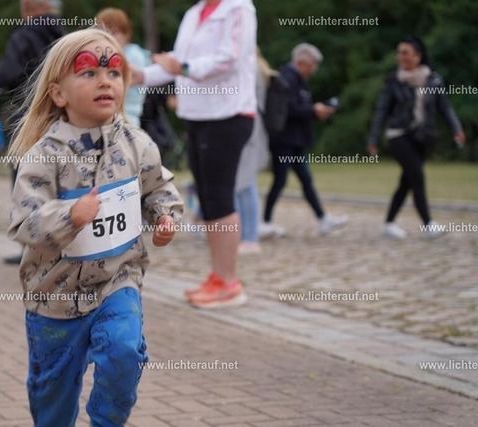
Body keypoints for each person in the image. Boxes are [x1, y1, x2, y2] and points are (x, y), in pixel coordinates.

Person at [6, 28, 183, 426]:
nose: (105, 81)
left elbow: (159, 188)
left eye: (114, 72)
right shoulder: (43, 155)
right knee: (52, 396)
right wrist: (70, 215)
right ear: (58, 94)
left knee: (124, 352)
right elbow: (24, 222)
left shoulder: (138, 144)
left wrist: (165, 216)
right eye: (88, 72)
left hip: (117, 280)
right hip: (54, 297)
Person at [133, 0, 257, 308]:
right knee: (208, 199)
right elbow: (175, 61)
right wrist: (140, 75)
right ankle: (218, 276)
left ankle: (228, 283)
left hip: (227, 114)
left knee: (220, 198)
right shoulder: (194, 13)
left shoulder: (239, 8)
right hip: (197, 115)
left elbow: (228, 59)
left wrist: (184, 68)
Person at [0, 0, 66, 265]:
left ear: (27, 8)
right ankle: (64, 243)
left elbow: (12, 68)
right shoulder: (65, 36)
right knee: (60, 175)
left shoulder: (24, 34)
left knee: (26, 177)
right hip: (61, 114)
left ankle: (31, 248)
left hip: (28, 116)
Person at [367, 35, 465, 240]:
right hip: (398, 135)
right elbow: (382, 111)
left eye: (405, 52)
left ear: (418, 56)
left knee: (407, 181)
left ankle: (388, 223)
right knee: (417, 177)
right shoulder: (393, 82)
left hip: (422, 137)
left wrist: (456, 128)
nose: (400, 56)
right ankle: (428, 224)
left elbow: (445, 108)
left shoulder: (433, 80)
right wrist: (373, 138)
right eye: (399, 52)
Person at [261, 43, 348, 237]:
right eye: (312, 65)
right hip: (284, 141)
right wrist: (313, 110)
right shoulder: (286, 79)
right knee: (280, 181)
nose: (314, 70)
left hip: (296, 141)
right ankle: (265, 221)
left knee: (305, 180)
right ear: (301, 62)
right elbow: (288, 109)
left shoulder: (299, 80)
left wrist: (316, 110)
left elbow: (300, 107)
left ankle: (322, 219)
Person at [235, 53, 271, 255]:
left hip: (247, 129)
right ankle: (244, 235)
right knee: (242, 184)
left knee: (245, 185)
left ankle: (248, 236)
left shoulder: (249, 65)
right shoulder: (254, 65)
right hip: (247, 128)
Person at [95, 7, 151, 126]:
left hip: (126, 119)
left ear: (126, 34)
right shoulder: (106, 55)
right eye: (103, 32)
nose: (108, 36)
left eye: (113, 32)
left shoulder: (133, 55)